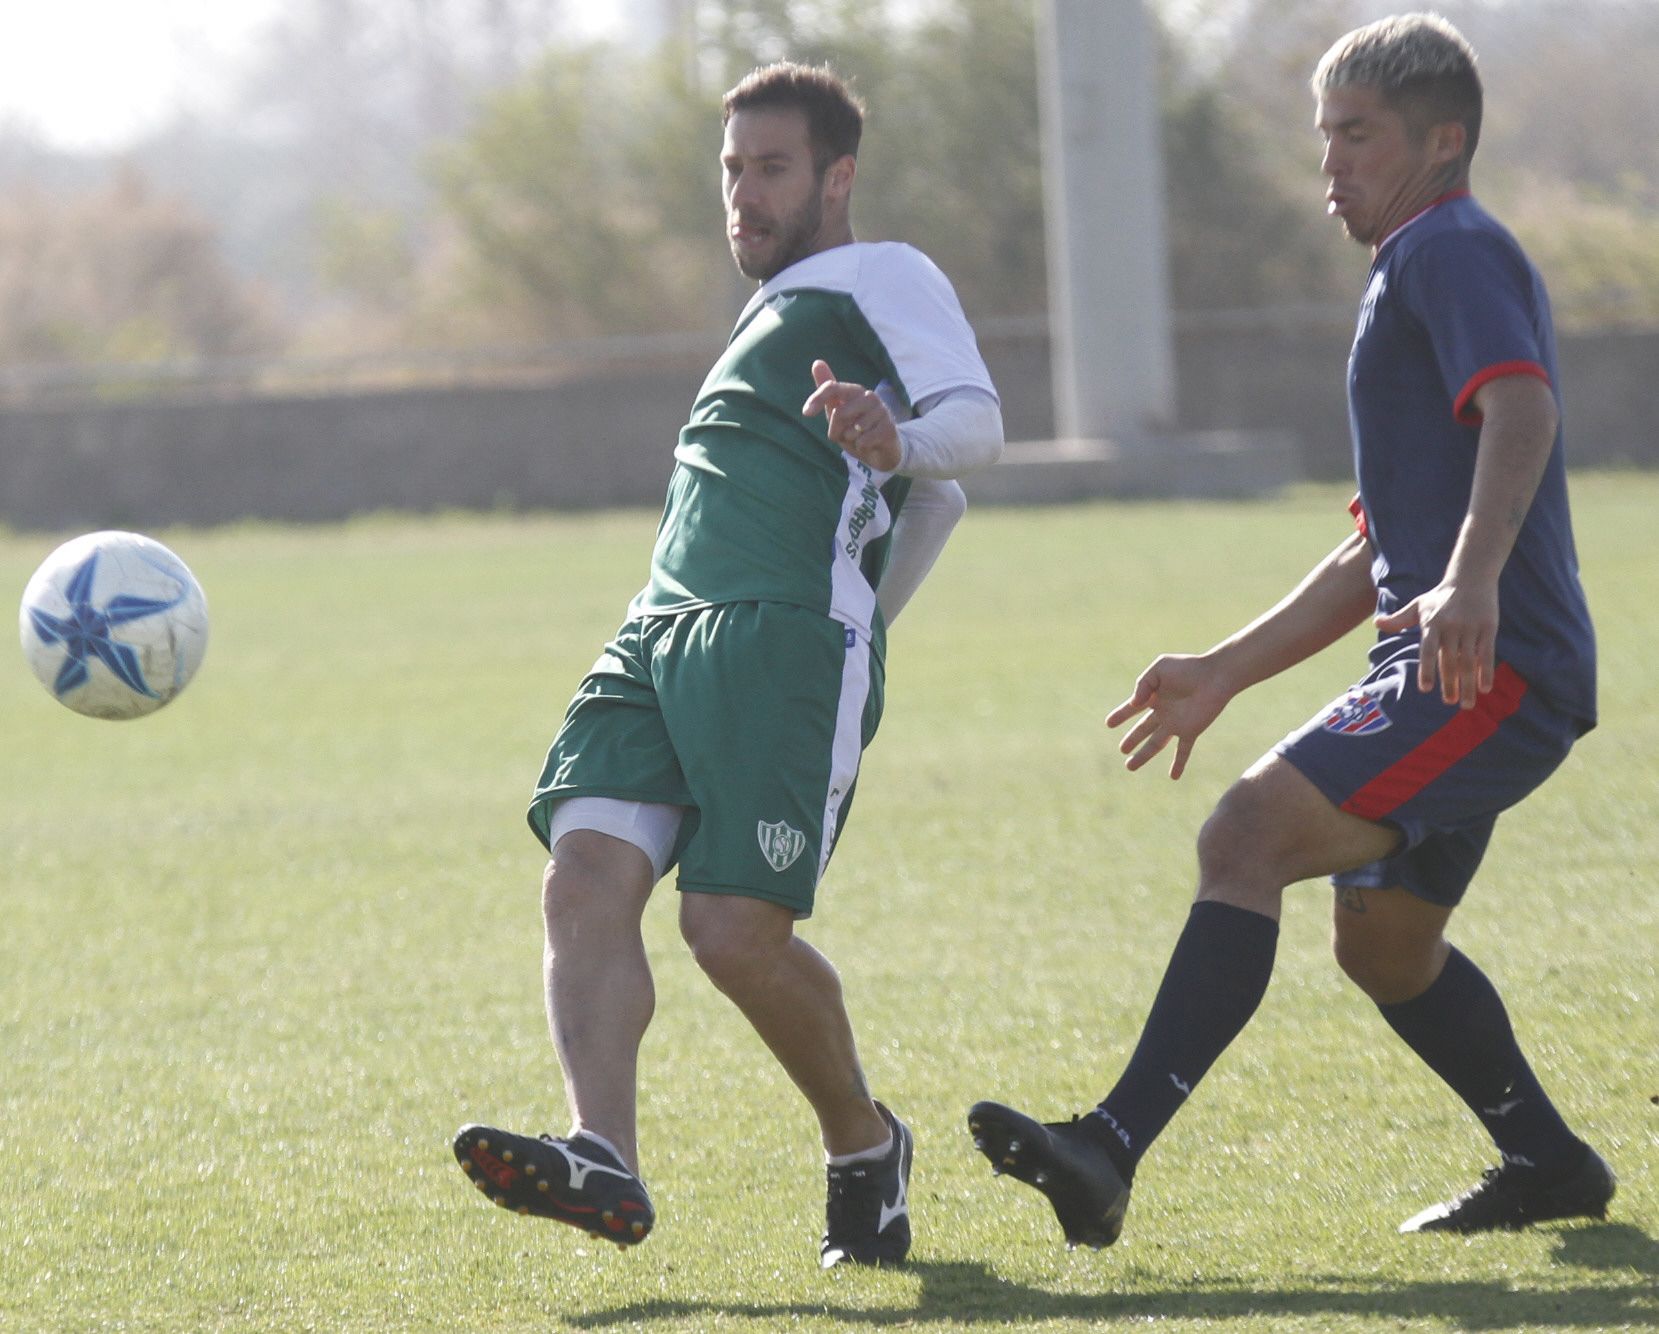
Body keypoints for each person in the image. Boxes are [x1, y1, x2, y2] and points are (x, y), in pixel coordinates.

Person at [968, 12, 1614, 1248]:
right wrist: (1224, 668)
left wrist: (1473, 581)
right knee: (1385, 944)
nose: (1331, 163)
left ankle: (1107, 1147)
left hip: (1488, 663)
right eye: (1325, 135)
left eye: (1357, 135)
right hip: (1454, 652)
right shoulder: (1412, 266)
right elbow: (1375, 550)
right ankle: (1550, 1161)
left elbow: (1523, 413)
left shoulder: (1449, 248)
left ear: (1443, 140)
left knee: (1246, 831)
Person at [453, 61, 1003, 1268]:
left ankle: (865, 1143)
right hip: (657, 628)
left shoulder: (882, 274)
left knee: (729, 933)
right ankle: (603, 1151)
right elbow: (933, 505)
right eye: (733, 170)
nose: (745, 194)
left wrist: (894, 452)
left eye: (773, 168)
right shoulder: (768, 314)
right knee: (583, 875)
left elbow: (975, 433)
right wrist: (890, 483)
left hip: (777, 637)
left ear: (837, 177)